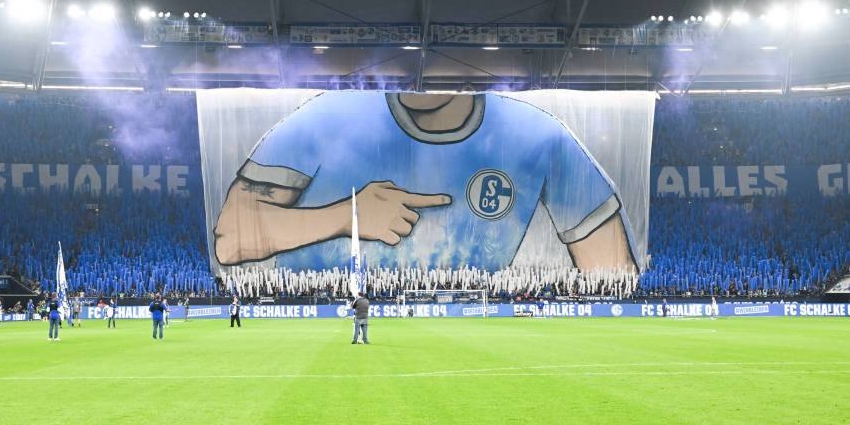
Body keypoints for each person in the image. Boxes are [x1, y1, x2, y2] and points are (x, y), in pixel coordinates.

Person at [212, 92, 640, 274]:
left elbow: (613, 272)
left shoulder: (540, 135)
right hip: (318, 346)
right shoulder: (325, 118)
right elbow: (230, 238)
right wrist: (345, 216)